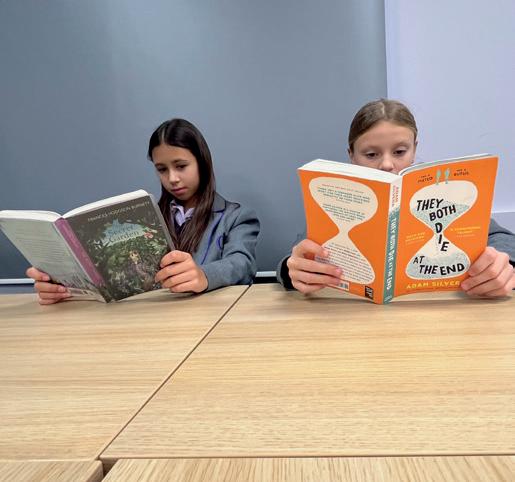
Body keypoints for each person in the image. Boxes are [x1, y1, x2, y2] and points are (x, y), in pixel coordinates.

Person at [278, 99, 515, 298]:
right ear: (351, 155)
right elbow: (296, 254)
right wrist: (293, 269)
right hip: (352, 311)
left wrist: (504, 265)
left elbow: (502, 238)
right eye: (371, 154)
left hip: (432, 307)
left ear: (414, 148)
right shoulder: (337, 197)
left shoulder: (441, 193)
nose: (387, 164)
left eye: (400, 152)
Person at [28, 118, 260, 304]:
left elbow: (242, 264)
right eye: (162, 169)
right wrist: (63, 287)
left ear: (203, 162)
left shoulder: (235, 217)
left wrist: (204, 276)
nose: (172, 178)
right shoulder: (143, 220)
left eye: (181, 166)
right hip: (149, 323)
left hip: (210, 323)